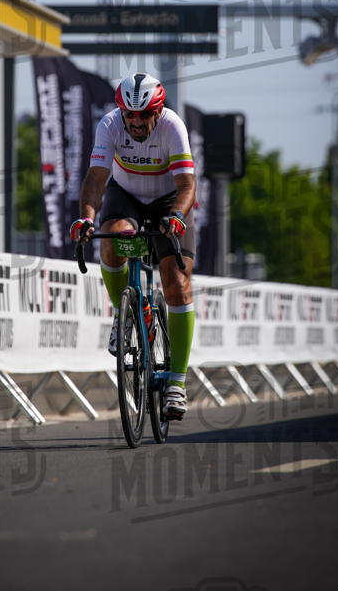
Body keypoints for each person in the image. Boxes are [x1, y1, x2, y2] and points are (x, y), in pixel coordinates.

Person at [70, 73, 196, 420]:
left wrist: (177, 216)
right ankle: (123, 316)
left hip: (169, 199)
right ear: (121, 111)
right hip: (125, 196)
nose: (136, 121)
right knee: (112, 241)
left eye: (144, 115)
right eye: (130, 114)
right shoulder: (110, 124)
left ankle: (176, 382)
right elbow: (96, 178)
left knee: (177, 283)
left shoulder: (172, 126)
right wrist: (86, 219)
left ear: (158, 112)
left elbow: (187, 183)